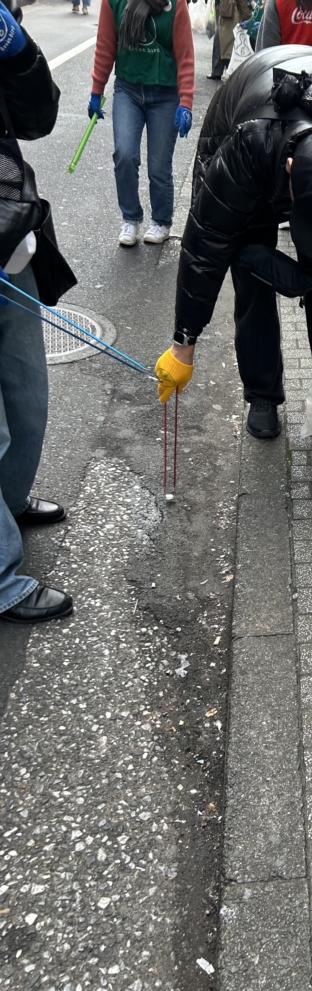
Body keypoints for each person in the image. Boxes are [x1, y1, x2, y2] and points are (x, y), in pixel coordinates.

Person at [153, 45, 312, 441]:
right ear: (290, 169)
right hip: (248, 128)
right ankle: (263, 396)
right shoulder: (247, 147)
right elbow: (205, 246)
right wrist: (183, 343)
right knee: (249, 278)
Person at [0, 0, 74, 624]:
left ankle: (9, 500)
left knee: (27, 395)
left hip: (8, 240)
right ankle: (0, 575)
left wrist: (17, 50)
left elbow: (38, 117)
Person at [89, 0, 196, 247]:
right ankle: (131, 218)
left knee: (159, 166)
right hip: (128, 89)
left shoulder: (175, 4)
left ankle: (161, 220)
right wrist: (97, 90)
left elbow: (185, 54)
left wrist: (186, 101)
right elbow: (105, 45)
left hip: (166, 93)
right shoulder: (113, 2)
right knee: (124, 154)